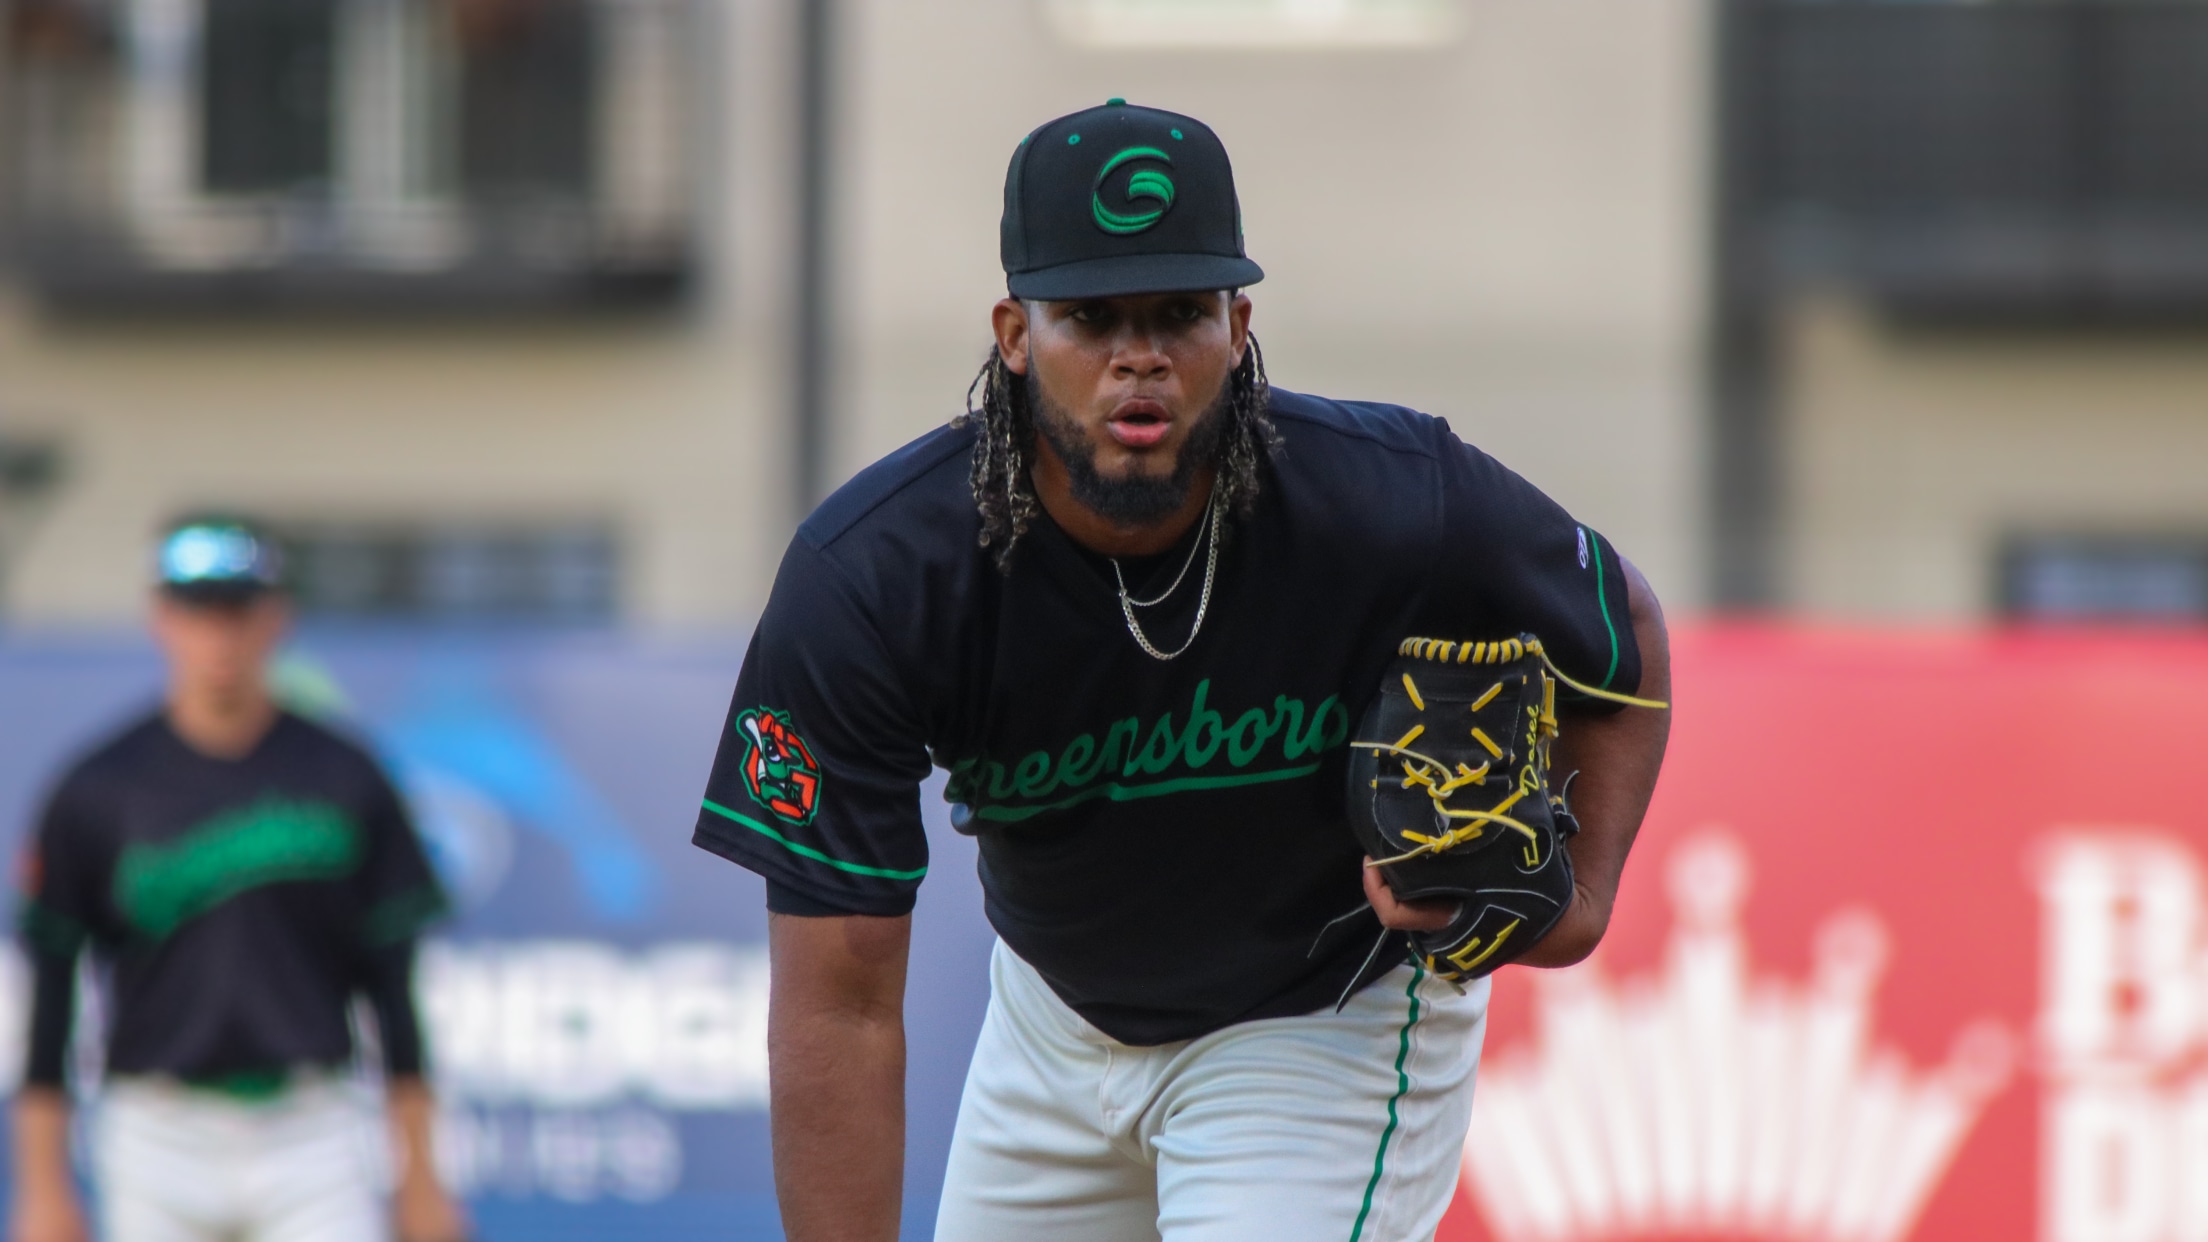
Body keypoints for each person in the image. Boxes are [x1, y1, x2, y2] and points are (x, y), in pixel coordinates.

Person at [693, 100, 1672, 1241]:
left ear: (1237, 324)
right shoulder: (879, 577)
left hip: (1318, 1021)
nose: (1139, 355)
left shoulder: (1395, 502)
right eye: (1090, 317)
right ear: (1015, 333)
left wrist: (1582, 902)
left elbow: (1622, 629)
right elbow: (843, 1005)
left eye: (1178, 312)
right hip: (1053, 1025)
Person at [9, 516, 469, 1242]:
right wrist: (42, 1188)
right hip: (158, 1129)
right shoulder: (99, 786)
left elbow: (394, 992)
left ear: (276, 618)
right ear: (161, 618)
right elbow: (53, 992)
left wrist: (421, 1177)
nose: (218, 634)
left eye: (237, 610)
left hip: (309, 1129)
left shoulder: (344, 774)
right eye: (198, 611)